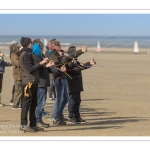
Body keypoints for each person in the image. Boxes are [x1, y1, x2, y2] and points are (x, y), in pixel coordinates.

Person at [18, 37, 50, 132]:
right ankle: (23, 125)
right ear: (28, 43)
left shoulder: (29, 54)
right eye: (31, 43)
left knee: (33, 104)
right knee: (26, 104)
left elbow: (35, 68)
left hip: (34, 81)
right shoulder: (25, 54)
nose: (32, 44)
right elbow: (30, 68)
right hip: (28, 82)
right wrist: (41, 62)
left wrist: (45, 65)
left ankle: (32, 124)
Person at [66, 46, 96, 124]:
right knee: (72, 101)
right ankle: (71, 117)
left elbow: (81, 67)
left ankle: (77, 116)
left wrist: (90, 63)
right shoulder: (68, 62)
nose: (76, 54)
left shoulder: (76, 61)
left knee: (77, 101)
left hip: (78, 84)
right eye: (74, 52)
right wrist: (79, 64)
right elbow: (75, 69)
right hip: (71, 84)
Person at [47, 39, 71, 125]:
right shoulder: (51, 53)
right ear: (53, 46)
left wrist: (81, 51)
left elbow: (71, 55)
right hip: (57, 78)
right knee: (59, 99)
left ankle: (58, 115)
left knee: (66, 98)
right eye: (58, 45)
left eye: (60, 45)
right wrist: (63, 57)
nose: (59, 46)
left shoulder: (61, 53)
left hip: (63, 77)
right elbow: (56, 65)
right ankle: (55, 117)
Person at [32, 39, 54, 128]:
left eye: (42, 46)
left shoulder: (41, 55)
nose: (42, 47)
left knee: (41, 103)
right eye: (40, 46)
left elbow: (45, 68)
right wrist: (45, 65)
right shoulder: (34, 56)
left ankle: (39, 120)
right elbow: (36, 68)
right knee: (40, 103)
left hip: (43, 81)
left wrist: (49, 65)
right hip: (39, 82)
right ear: (37, 47)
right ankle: (38, 121)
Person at [9, 41, 23, 109]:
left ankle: (17, 104)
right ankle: (15, 105)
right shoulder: (14, 55)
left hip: (19, 75)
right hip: (18, 75)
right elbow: (19, 64)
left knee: (20, 90)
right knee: (18, 91)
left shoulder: (16, 54)